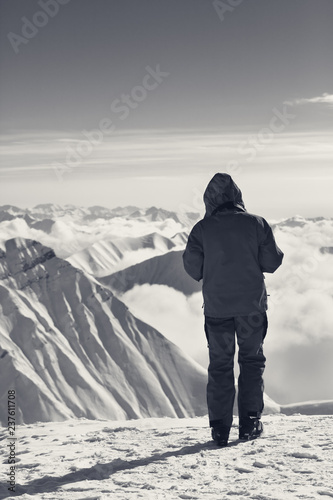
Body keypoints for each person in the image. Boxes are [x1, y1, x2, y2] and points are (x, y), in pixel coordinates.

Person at [182, 173, 284, 447]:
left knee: (220, 366)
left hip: (217, 309)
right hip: (252, 308)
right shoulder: (257, 224)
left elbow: (192, 268)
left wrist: (215, 266)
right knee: (251, 362)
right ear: (237, 195)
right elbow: (272, 262)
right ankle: (250, 423)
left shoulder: (202, 229)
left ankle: (219, 430)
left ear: (210, 199)